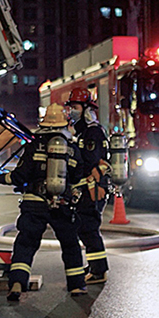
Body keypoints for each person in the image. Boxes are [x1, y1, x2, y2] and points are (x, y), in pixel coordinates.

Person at [0, 103, 87, 301]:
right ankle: (77, 285)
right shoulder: (72, 148)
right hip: (62, 203)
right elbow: (79, 177)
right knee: (70, 245)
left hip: (34, 202)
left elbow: (19, 176)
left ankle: (17, 282)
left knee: (26, 243)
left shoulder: (34, 145)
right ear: (64, 123)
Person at [65, 87, 111, 284]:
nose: (72, 111)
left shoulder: (92, 133)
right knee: (85, 227)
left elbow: (90, 161)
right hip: (87, 187)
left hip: (93, 187)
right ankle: (94, 266)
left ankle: (99, 271)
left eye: (75, 107)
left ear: (85, 109)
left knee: (88, 228)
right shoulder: (84, 132)